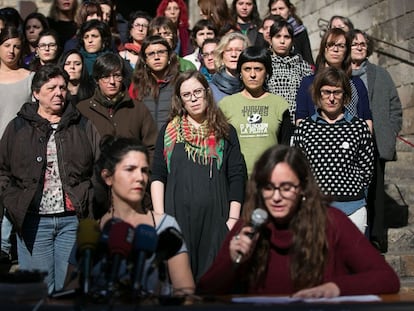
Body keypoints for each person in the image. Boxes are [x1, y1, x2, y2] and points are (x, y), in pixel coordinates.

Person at [197, 144, 400, 296]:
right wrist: (232, 261)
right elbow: (205, 290)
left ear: (302, 187)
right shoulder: (249, 227)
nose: (276, 197)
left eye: (286, 188)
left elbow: (387, 278)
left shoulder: (332, 222)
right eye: (268, 187)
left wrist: (336, 288)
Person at [0, 64, 100, 294]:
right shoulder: (18, 127)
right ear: (36, 93)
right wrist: (11, 199)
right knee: (38, 291)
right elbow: (2, 169)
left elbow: (99, 166)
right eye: (51, 87)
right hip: (33, 220)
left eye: (63, 88)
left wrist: (89, 195)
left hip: (72, 219)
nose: (59, 93)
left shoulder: (82, 124)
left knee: (68, 291)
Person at [151, 70, 246, 281]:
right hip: (176, 221)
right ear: (180, 100)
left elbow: (237, 176)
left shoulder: (225, 132)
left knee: (212, 287)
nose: (193, 98)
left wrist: (232, 220)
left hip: (216, 222)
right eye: (187, 94)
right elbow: (157, 174)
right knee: (179, 287)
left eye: (197, 92)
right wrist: (160, 218)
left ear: (207, 93)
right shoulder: (168, 132)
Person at [82, 135, 195, 296]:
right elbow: (70, 293)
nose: (140, 178)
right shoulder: (91, 233)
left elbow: (185, 293)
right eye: (130, 169)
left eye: (144, 171)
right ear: (108, 177)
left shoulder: (166, 227)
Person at [293, 67, 374, 233]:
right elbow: (297, 169)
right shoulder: (305, 128)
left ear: (345, 95)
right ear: (317, 94)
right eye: (326, 92)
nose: (331, 98)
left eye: (337, 92)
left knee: (352, 258)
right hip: (315, 208)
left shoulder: (358, 127)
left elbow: (367, 168)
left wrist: (355, 190)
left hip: (353, 208)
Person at [349, 29, 403, 252]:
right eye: (355, 43)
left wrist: (390, 131)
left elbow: (395, 107)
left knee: (376, 192)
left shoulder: (381, 74)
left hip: (377, 142)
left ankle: (377, 238)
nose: (360, 46)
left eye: (363, 43)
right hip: (349, 142)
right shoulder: (340, 74)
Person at [219, 46, 289, 176]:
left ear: (267, 72)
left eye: (258, 69)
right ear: (240, 72)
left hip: (270, 178)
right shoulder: (226, 105)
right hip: (237, 179)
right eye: (247, 69)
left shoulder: (280, 105)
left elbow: (285, 149)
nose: (252, 74)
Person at [77, 52, 157, 162]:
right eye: (106, 77)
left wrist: (144, 173)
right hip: (97, 176)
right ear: (97, 80)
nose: (112, 82)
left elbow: (152, 147)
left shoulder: (138, 109)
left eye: (117, 76)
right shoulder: (83, 109)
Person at [0, 26, 35, 264]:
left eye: (16, 46)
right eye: (6, 45)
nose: (11, 51)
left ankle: (3, 247)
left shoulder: (29, 77)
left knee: (12, 198)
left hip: (19, 147)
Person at [295, 28, 373, 133]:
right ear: (324, 48)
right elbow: (301, 119)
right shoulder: (308, 83)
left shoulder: (356, 83)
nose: (335, 50)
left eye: (341, 46)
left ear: (347, 51)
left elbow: (366, 119)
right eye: (331, 45)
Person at [267, 18, 313, 124]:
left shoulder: (303, 66)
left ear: (292, 41)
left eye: (286, 37)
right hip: (271, 122)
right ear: (270, 39)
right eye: (277, 36)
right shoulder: (264, 65)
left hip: (298, 123)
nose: (282, 41)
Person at [130, 35, 180, 131]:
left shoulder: (179, 82)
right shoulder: (137, 84)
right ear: (145, 59)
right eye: (151, 54)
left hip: (172, 140)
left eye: (161, 52)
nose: (156, 57)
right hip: (146, 142)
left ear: (169, 55)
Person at [267, 0, 314, 65]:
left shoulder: (299, 30)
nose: (278, 12)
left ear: (289, 10)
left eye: (281, 8)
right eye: (274, 9)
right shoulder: (266, 31)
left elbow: (307, 56)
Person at [209, 31, 250, 103]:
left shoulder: (254, 85)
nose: (233, 55)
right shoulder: (211, 89)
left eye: (239, 50)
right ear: (221, 55)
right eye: (228, 50)